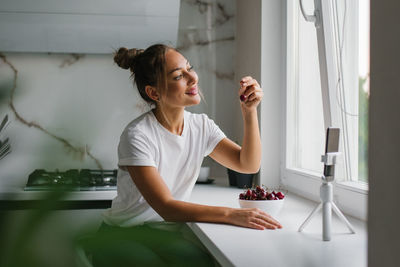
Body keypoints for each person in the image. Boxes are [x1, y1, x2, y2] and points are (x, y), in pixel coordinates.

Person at [95, 43, 282, 265]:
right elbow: (166, 207)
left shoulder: (201, 126)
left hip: (162, 236)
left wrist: (250, 112)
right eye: (177, 76)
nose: (192, 78)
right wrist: (231, 215)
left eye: (189, 68)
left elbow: (248, 165)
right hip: (122, 235)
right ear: (154, 92)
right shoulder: (137, 135)